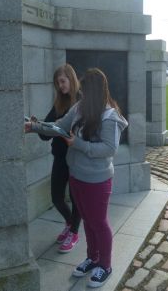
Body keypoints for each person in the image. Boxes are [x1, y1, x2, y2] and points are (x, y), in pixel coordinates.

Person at [26, 68, 128, 288]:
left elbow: (110, 149)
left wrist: (78, 144)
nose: (81, 93)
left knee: (98, 223)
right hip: (77, 176)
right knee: (89, 222)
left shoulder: (110, 116)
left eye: (85, 90)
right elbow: (60, 126)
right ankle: (92, 258)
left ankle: (106, 265)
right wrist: (34, 127)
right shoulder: (79, 108)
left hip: (98, 180)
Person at [29, 64, 82, 253]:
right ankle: (69, 223)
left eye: (63, 81)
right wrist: (37, 125)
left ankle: (74, 232)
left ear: (71, 79)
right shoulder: (59, 103)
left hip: (76, 159)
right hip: (60, 157)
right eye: (57, 83)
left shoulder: (81, 102)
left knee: (76, 200)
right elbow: (46, 134)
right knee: (57, 197)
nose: (60, 86)